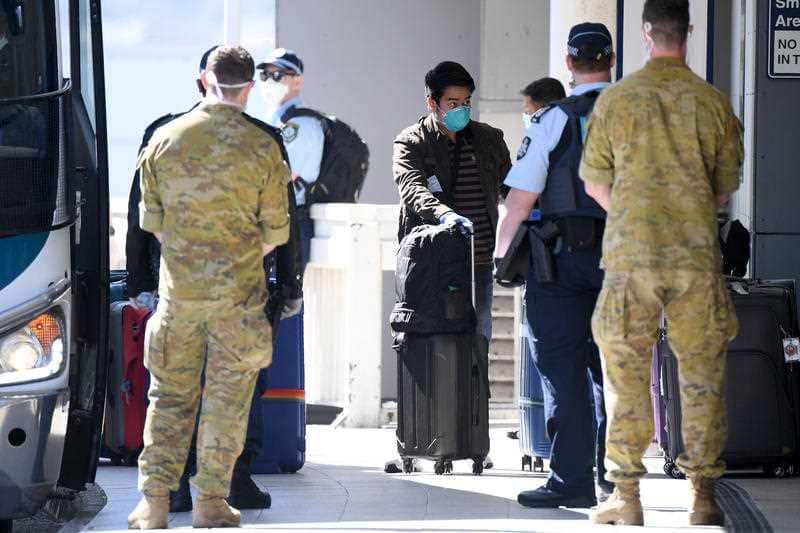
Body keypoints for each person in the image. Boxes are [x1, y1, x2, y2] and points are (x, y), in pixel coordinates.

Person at [581, 0, 742, 526]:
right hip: (695, 256)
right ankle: (702, 497)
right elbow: (723, 191)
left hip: (632, 257)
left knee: (625, 376)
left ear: (646, 33)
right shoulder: (712, 102)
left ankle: (626, 498)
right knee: (701, 376)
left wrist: (631, 213)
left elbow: (595, 182)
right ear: (689, 31)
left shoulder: (617, 100)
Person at [125, 46, 302, 515]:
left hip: (179, 296)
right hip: (239, 299)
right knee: (229, 401)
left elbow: (149, 223)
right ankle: (211, 503)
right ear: (247, 87)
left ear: (205, 80)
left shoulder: (163, 138)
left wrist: (184, 258)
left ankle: (154, 504)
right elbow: (277, 233)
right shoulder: (264, 145)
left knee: (167, 399)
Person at [494, 23, 616, 509]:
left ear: (569, 63)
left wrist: (501, 258)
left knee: (564, 371)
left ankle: (571, 480)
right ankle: (615, 479)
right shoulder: (639, 115)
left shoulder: (553, 120)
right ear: (611, 58)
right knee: (618, 371)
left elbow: (520, 201)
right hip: (627, 259)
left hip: (564, 264)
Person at [258, 48, 323, 270]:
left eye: (277, 76)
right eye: (265, 75)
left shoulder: (301, 125)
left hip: (291, 221)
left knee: (288, 299)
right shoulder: (273, 121)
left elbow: (285, 176)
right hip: (272, 220)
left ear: (297, 81)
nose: (269, 82)